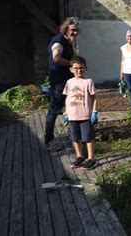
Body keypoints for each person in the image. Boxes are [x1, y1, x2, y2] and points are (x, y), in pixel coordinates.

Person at [44, 17, 80, 149]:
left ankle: (74, 135)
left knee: (70, 107)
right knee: (54, 109)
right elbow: (56, 57)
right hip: (59, 81)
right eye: (72, 30)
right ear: (65, 28)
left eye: (77, 30)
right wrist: (73, 63)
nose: (75, 32)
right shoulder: (58, 41)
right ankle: (49, 140)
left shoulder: (68, 41)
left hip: (66, 80)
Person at [63, 56, 98, 170]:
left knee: (88, 137)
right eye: (76, 68)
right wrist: (65, 112)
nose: (79, 70)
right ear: (71, 69)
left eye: (81, 68)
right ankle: (80, 156)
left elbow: (94, 97)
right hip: (72, 115)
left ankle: (91, 158)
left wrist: (94, 111)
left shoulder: (88, 82)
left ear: (86, 68)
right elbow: (67, 98)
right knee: (75, 138)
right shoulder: (69, 82)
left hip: (85, 115)